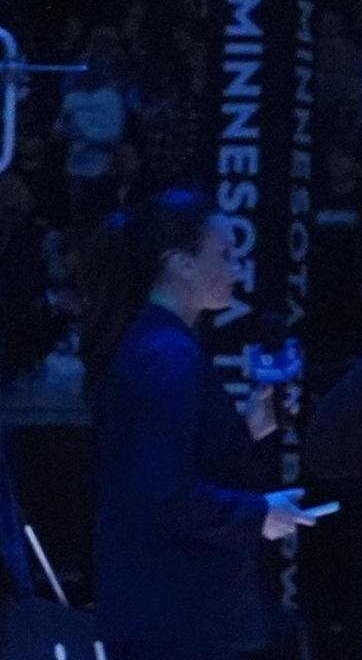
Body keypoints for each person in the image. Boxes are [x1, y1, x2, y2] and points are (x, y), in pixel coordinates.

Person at [79, 188, 317, 660]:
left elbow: (158, 468)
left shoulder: (156, 346)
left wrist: (247, 428)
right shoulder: (167, 356)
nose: (236, 269)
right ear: (181, 264)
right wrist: (257, 514)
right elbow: (163, 492)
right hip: (179, 614)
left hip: (166, 609)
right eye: (225, 255)